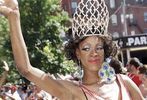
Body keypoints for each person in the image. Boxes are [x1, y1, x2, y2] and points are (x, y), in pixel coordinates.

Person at [0, 0, 144, 99]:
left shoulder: (123, 82)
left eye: (99, 47)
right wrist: (14, 17)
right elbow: (26, 69)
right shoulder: (72, 91)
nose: (94, 53)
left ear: (105, 50)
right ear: (77, 53)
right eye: (86, 48)